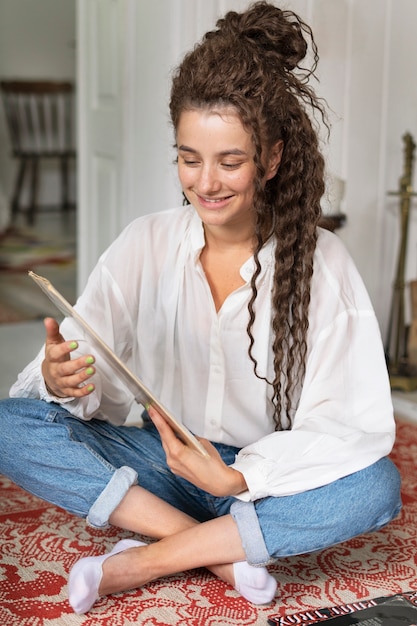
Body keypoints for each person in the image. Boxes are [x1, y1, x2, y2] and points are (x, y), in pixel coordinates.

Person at [0, 0, 401, 615]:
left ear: (271, 159)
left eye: (230, 161)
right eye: (190, 158)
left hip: (263, 484)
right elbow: (90, 380)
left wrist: (240, 478)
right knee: (12, 423)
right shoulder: (146, 241)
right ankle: (215, 551)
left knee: (378, 487)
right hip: (165, 465)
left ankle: (147, 557)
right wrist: (64, 377)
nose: (205, 183)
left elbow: (352, 427)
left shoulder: (324, 262)